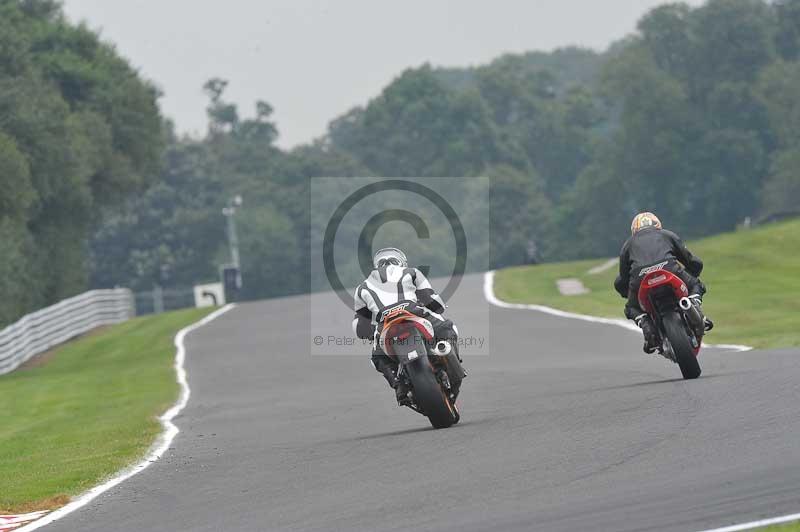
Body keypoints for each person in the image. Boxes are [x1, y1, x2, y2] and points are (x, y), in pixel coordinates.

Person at [353, 247, 463, 405]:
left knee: (377, 357)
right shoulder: (411, 272)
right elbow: (429, 298)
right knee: (448, 328)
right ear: (401, 262)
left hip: (386, 323)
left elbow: (359, 326)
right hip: (413, 312)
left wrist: (369, 334)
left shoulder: (362, 288)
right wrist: (439, 307)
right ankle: (445, 354)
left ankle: (399, 384)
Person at [614, 212, 713, 353]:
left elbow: (623, 279)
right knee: (696, 285)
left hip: (641, 279)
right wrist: (693, 271)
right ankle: (694, 305)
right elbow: (690, 259)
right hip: (670, 270)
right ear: (657, 224)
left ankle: (646, 324)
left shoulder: (627, 245)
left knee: (631, 308)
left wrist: (627, 293)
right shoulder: (667, 235)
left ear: (634, 229)